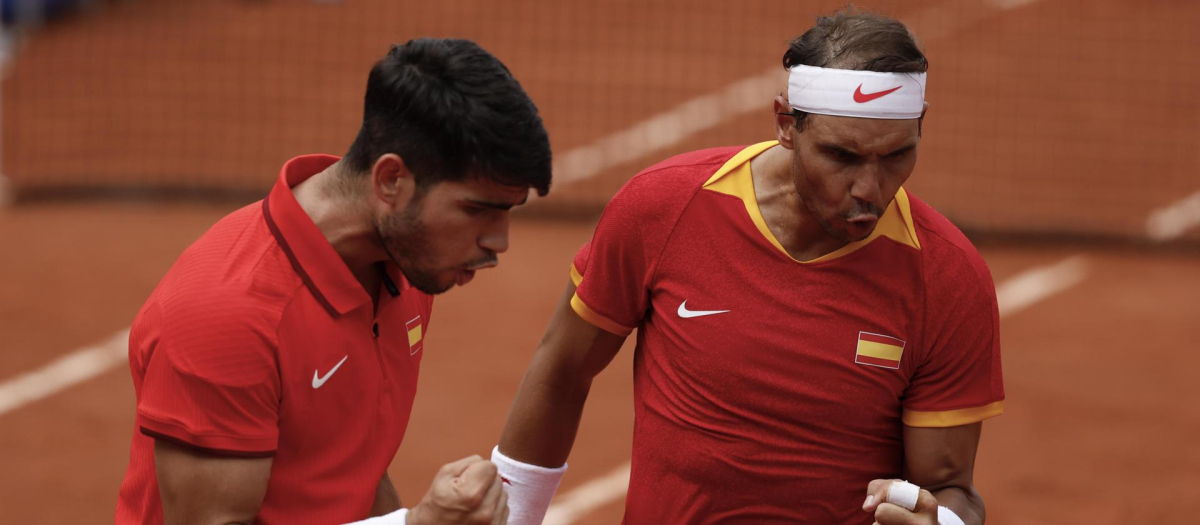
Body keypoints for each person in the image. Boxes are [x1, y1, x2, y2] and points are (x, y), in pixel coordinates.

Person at [493, 10, 1003, 525]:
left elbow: (948, 485)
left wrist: (945, 523)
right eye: (841, 156)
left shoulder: (949, 279)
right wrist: (512, 519)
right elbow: (561, 370)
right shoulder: (664, 209)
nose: (868, 190)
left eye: (896, 156)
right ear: (786, 123)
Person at [114, 37, 551, 525]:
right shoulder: (227, 314)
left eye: (508, 212)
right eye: (476, 209)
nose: (498, 242)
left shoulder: (406, 268)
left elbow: (348, 475)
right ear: (391, 181)